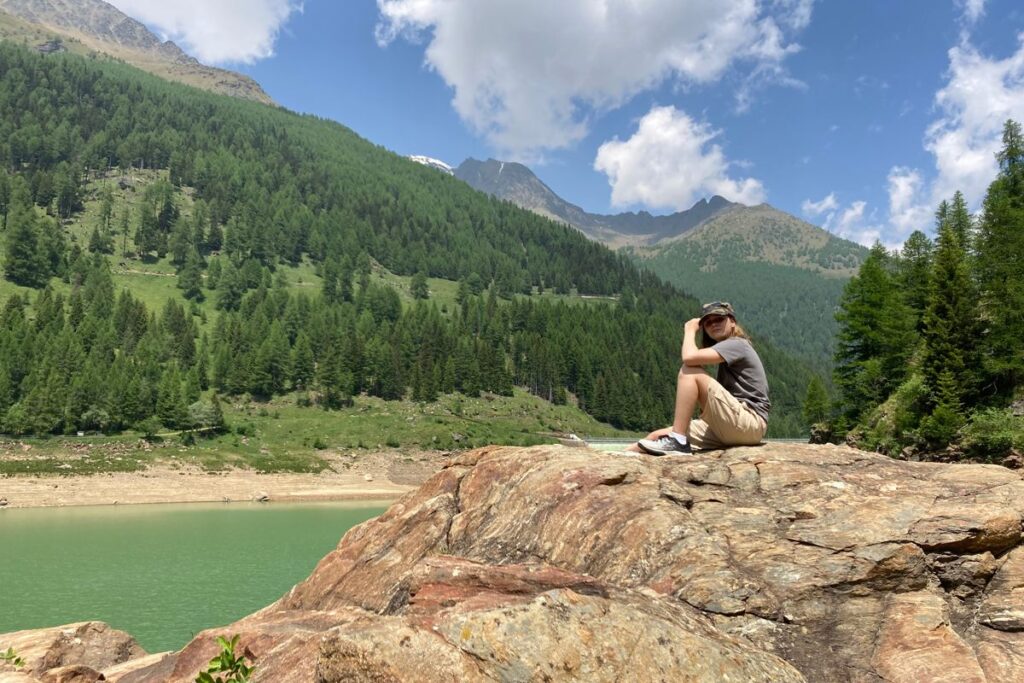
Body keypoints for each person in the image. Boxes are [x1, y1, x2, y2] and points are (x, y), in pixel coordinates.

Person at [634, 301, 770, 455]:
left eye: (719, 319)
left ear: (732, 322)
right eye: (707, 322)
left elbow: (689, 358)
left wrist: (690, 330)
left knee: (690, 372)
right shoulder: (729, 349)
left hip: (750, 423)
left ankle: (678, 441)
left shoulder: (738, 344)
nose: (713, 324)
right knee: (655, 438)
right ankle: (622, 458)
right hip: (735, 426)